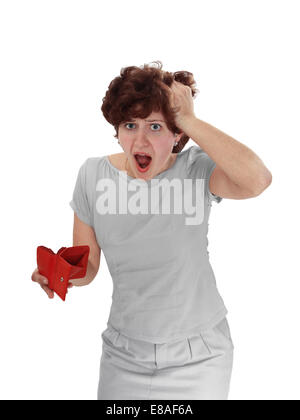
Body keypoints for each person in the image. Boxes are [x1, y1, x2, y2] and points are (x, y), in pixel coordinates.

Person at [31, 61, 272, 400]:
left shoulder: (196, 170)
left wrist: (188, 117)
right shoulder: (92, 176)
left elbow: (257, 181)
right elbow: (88, 266)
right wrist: (62, 274)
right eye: (130, 125)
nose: (140, 139)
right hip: (124, 352)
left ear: (177, 135)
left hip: (199, 355)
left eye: (156, 127)